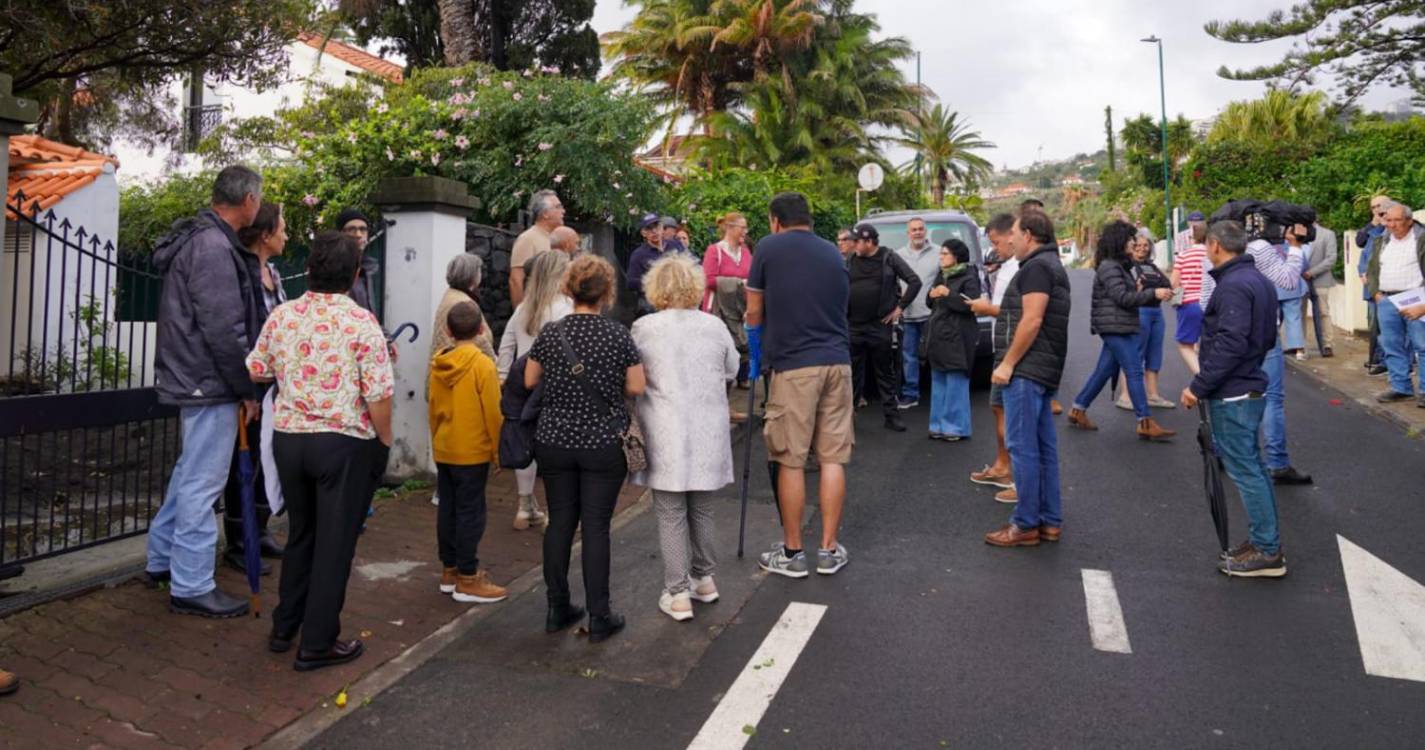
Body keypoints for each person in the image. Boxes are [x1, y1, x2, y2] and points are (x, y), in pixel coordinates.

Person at [247, 231, 394, 670]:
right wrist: (384, 442)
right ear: (353, 275)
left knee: (303, 535)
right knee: (336, 543)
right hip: (342, 443)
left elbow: (256, 368)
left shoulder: (283, 316)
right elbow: (379, 396)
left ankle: (284, 625)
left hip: (290, 441)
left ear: (310, 269)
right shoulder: (362, 322)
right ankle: (317, 641)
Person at [147, 165, 264, 618]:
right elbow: (224, 327)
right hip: (209, 383)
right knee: (202, 482)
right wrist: (246, 388)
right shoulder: (214, 247)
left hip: (193, 378)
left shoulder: (200, 239)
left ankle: (161, 559)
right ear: (248, 201)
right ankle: (191, 583)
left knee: (188, 473)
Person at [525, 255, 645, 643]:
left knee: (560, 521)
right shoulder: (618, 336)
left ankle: (557, 607)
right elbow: (636, 387)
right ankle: (599, 615)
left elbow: (530, 379)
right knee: (596, 526)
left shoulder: (551, 333)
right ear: (607, 293)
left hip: (554, 440)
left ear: (567, 288)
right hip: (601, 442)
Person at [747, 192, 854, 577]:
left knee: (790, 457)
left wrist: (755, 346)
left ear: (775, 220)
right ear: (808, 218)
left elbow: (754, 310)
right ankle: (829, 548)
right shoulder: (833, 252)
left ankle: (793, 553)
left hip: (793, 366)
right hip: (837, 363)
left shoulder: (768, 247)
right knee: (832, 456)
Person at [630, 255, 739, 622]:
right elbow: (731, 368)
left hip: (664, 428)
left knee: (671, 511)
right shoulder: (713, 326)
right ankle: (704, 579)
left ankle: (677, 593)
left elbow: (634, 376)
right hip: (707, 427)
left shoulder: (643, 328)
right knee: (703, 507)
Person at [1180, 220, 1286, 578]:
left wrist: (1199, 386)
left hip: (1235, 392)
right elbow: (1268, 335)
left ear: (1214, 246)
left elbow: (1230, 342)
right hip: (1248, 384)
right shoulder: (1257, 281)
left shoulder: (1234, 286)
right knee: (1252, 469)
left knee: (1246, 471)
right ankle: (1263, 542)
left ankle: (1268, 550)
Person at [1200, 219, 1314, 485]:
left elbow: (1206, 300)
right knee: (1271, 398)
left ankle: (1226, 452)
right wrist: (1295, 247)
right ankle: (1277, 462)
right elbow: (1287, 281)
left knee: (1225, 394)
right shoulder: (1260, 248)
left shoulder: (1212, 253)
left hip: (1223, 334)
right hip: (1263, 335)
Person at [983, 209, 1072, 548]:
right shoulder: (1051, 265)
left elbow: (1032, 320)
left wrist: (1008, 364)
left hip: (1027, 370)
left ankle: (1025, 524)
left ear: (1030, 235)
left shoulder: (1035, 268)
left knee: (1022, 448)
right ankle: (1049, 521)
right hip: (1044, 368)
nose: (1012, 239)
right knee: (1043, 448)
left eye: (1016, 234)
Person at [222, 201, 290, 578]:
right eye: (282, 227)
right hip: (249, 383)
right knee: (242, 465)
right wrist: (248, 387)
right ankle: (238, 540)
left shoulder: (274, 274)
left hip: (271, 385)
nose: (286, 235)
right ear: (265, 234)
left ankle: (259, 530)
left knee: (266, 461)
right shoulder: (243, 273)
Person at [1066, 221, 1176, 441]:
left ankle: (1078, 409)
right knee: (1134, 370)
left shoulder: (1116, 265)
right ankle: (1144, 421)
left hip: (1117, 324)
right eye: (1130, 240)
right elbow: (1122, 298)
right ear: (1119, 241)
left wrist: (1137, 290)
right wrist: (1152, 294)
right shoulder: (1110, 267)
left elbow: (1121, 295)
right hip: (1115, 326)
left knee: (1103, 371)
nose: (1134, 244)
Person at [429, 302, 508, 604]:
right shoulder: (482, 365)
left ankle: (449, 570)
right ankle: (468, 576)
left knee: (447, 508)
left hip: (445, 446)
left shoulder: (439, 363)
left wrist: (436, 439)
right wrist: (497, 451)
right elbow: (492, 411)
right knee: (471, 512)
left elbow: (434, 408)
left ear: (448, 331)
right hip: (472, 449)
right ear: (480, 330)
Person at [497, 250, 572, 529]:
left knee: (524, 442)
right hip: (553, 384)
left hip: (521, 382)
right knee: (553, 448)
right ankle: (553, 511)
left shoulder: (523, 308)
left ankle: (524, 506)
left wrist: (503, 377)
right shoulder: (566, 308)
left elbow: (505, 347)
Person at [847, 223, 921, 432]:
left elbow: (914, 281)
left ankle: (891, 416)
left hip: (880, 325)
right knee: (853, 373)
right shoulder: (850, 260)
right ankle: (848, 419)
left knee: (885, 372)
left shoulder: (888, 257)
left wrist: (900, 308)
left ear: (869, 242)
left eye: (857, 241)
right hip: (853, 325)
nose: (853, 245)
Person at [968, 214, 1020, 501]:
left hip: (1013, 349)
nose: (994, 249)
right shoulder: (1006, 266)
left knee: (1015, 418)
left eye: (996, 243)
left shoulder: (1022, 269)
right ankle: (1003, 466)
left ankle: (1019, 479)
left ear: (1011, 235)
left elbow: (1023, 313)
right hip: (1001, 347)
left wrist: (988, 310)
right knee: (998, 407)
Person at [1365, 202, 1425, 406]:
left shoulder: (1421, 238)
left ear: (1409, 221)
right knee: (1391, 345)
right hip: (1387, 300)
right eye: (1388, 220)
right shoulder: (1382, 240)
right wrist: (1376, 293)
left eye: (1396, 220)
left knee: (1422, 346)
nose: (1391, 225)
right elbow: (1372, 267)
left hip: (1416, 298)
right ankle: (1401, 387)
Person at [924, 238, 981, 441]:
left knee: (956, 380)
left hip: (959, 335)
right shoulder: (941, 274)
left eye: (945, 253)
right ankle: (937, 425)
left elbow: (971, 305)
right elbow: (930, 302)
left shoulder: (969, 275)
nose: (941, 257)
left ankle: (955, 427)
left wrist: (948, 294)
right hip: (939, 335)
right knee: (939, 380)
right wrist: (931, 295)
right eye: (940, 253)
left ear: (956, 256)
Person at [1117, 231, 1176, 408]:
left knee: (1154, 355)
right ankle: (1125, 396)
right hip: (1139, 312)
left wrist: (1155, 290)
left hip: (1156, 313)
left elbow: (1167, 285)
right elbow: (1132, 291)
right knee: (1134, 354)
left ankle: (1153, 395)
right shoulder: (1127, 267)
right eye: (1138, 246)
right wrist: (1153, 290)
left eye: (1145, 245)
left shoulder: (1152, 266)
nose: (1142, 249)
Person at [702, 212, 754, 393]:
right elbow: (708, 280)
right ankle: (718, 397)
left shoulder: (746, 253)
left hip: (741, 311)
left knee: (741, 350)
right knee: (720, 355)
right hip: (718, 311)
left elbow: (753, 279)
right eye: (742, 227)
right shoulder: (714, 251)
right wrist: (740, 283)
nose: (745, 232)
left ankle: (732, 392)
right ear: (730, 228)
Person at [894, 217, 939, 409]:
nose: (918, 232)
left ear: (926, 230)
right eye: (914, 230)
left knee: (937, 355)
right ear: (908, 233)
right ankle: (911, 394)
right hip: (908, 315)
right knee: (909, 356)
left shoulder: (939, 252)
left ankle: (939, 392)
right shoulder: (898, 255)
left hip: (932, 314)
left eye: (921, 229)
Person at [431, 253, 496, 361]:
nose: (480, 274)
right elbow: (476, 339)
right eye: (478, 271)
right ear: (471, 275)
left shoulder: (451, 295)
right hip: (462, 367)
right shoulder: (464, 303)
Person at [510, 189, 564, 306]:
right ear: (545, 214)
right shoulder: (528, 238)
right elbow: (516, 280)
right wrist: (521, 316)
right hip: (536, 313)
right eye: (558, 207)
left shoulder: (554, 238)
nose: (563, 211)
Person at [1357, 196, 1392, 375]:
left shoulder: (1395, 231)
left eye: (1380, 207)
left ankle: (1391, 362)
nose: (1377, 211)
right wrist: (1362, 273)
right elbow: (1363, 251)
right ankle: (1378, 358)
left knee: (1389, 328)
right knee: (1375, 326)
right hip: (1371, 289)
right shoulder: (1372, 232)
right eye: (1373, 208)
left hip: (1387, 288)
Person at [1170, 221, 1209, 374]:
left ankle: (1202, 377)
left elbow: (1174, 281)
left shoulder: (1183, 256)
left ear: (1192, 237)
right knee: (1210, 343)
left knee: (1185, 345)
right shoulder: (1212, 254)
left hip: (1189, 303)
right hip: (1211, 303)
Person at [335, 208, 381, 315]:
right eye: (351, 229)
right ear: (340, 234)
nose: (358, 234)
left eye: (363, 229)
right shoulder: (334, 267)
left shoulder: (366, 268)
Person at [1303, 222, 1338, 357]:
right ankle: (1300, 344)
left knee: (1323, 312)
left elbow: (1331, 258)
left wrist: (1311, 272)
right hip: (1300, 280)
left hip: (1320, 279)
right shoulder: (1295, 232)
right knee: (1300, 313)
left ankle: (1327, 344)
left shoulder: (1328, 234)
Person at [1277, 226, 1310, 358]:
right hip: (1293, 289)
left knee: (1274, 320)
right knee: (1294, 319)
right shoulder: (1296, 248)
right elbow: (1304, 266)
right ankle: (1299, 351)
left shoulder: (1273, 248)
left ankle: (1275, 347)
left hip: (1276, 288)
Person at [627, 213, 669, 315]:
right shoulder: (638, 255)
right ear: (643, 233)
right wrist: (654, 281)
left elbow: (694, 265)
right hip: (653, 305)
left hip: (677, 303)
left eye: (656, 226)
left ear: (662, 228)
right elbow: (631, 283)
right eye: (649, 228)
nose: (654, 231)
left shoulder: (675, 246)